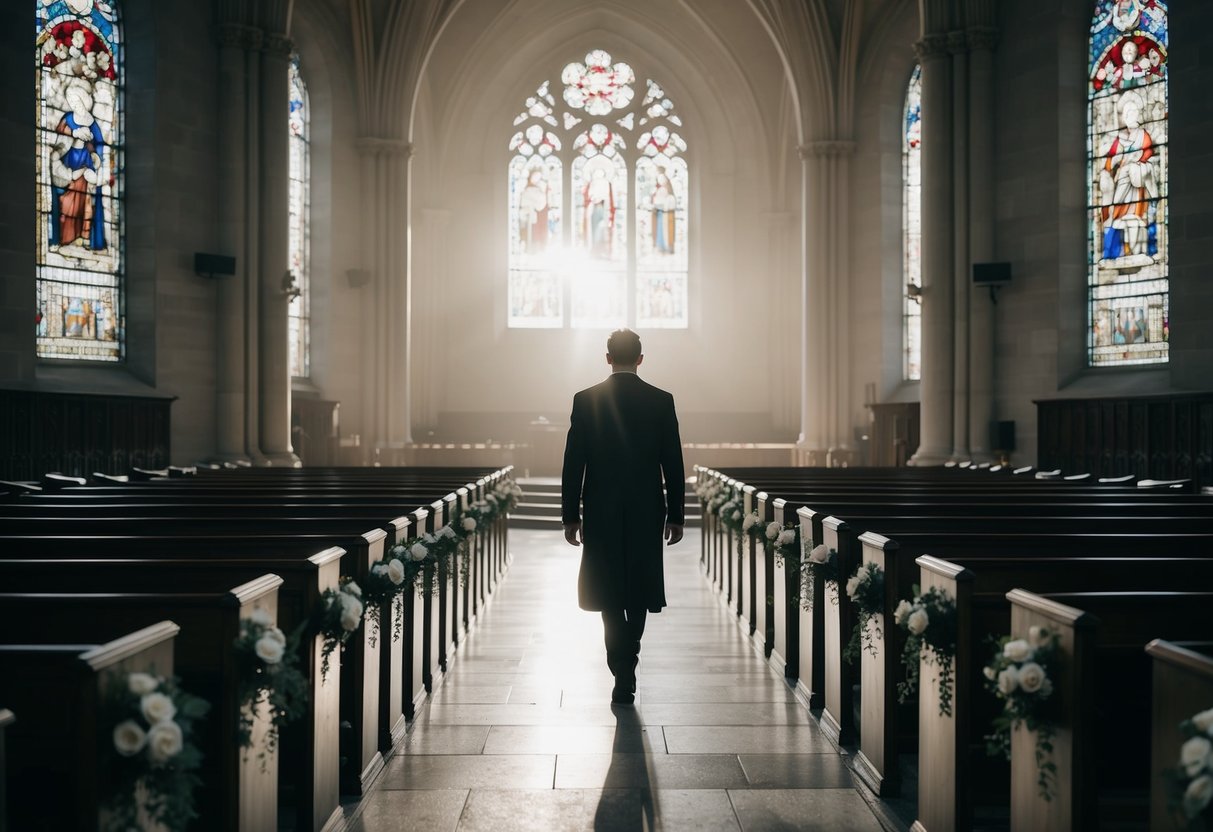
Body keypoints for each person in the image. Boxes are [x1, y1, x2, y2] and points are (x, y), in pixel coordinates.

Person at [561, 328, 685, 704]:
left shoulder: (586, 399)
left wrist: (570, 515)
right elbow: (673, 463)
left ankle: (622, 667)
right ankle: (628, 662)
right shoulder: (661, 400)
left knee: (610, 591)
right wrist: (676, 514)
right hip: (648, 508)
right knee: (639, 589)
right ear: (641, 359)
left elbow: (573, 463)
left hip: (601, 509)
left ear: (608, 357)